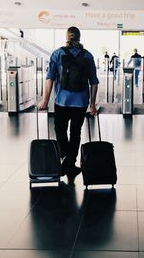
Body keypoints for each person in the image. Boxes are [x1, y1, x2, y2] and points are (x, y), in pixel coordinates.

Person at [38, 26, 99, 183]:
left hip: (62, 101)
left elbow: (50, 78)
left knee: (60, 130)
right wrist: (92, 104)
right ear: (79, 38)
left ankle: (65, 157)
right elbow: (94, 82)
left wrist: (45, 100)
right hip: (81, 102)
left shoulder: (57, 54)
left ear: (66, 37)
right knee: (76, 132)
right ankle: (71, 161)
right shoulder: (87, 56)